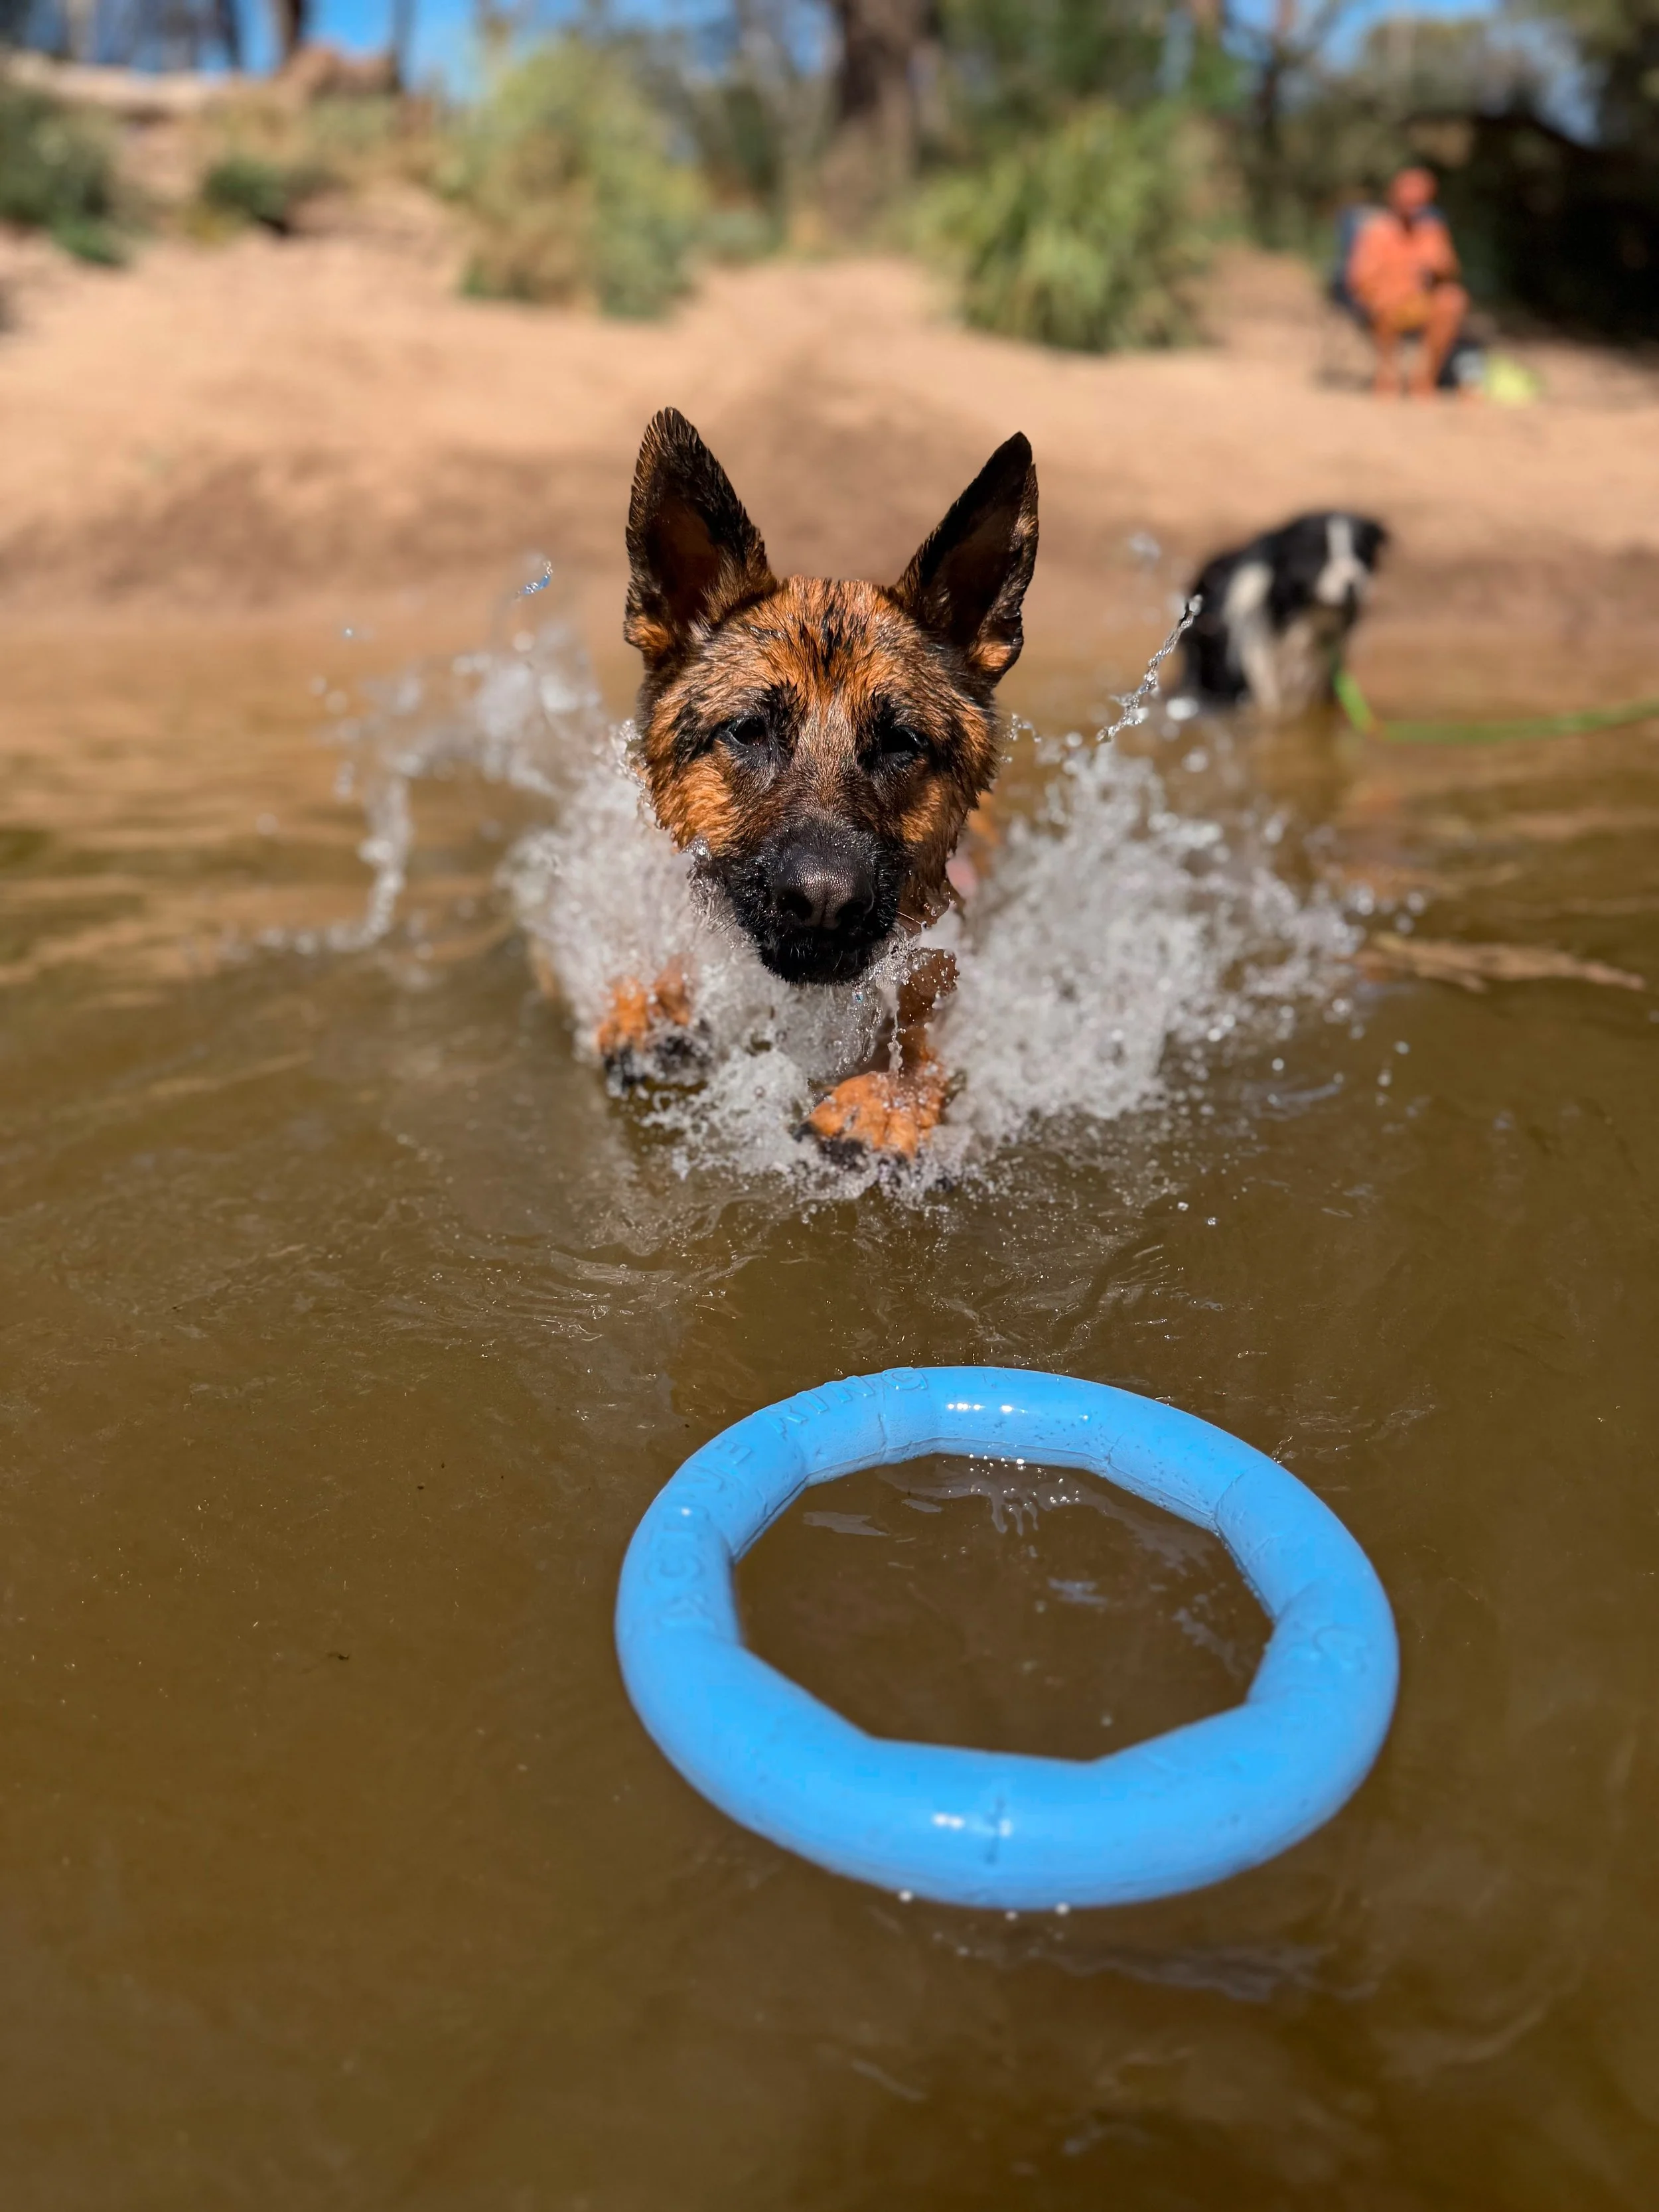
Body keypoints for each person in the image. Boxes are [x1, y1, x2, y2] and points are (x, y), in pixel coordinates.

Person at [1346, 168, 1469, 398]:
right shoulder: (1376, 230)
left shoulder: (1432, 230)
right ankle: (1387, 374)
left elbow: (1449, 270)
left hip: (1420, 302)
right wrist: (1394, 288)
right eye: (1408, 196)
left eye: (1419, 199)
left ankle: (1425, 378)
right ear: (1393, 196)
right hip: (1385, 304)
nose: (1413, 203)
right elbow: (1359, 278)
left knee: (1452, 300)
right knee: (1385, 301)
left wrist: (1437, 266)